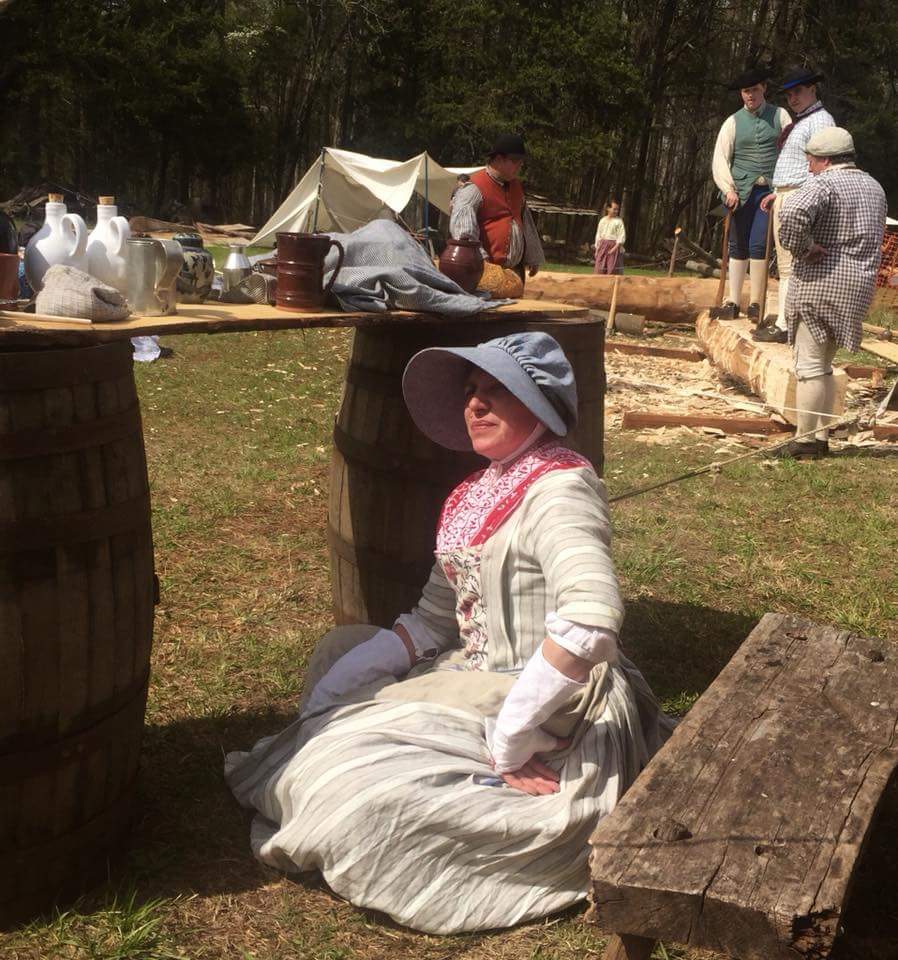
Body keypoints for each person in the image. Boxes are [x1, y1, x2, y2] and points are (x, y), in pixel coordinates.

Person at [226, 332, 671, 934]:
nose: (475, 404)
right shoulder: (481, 492)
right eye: (470, 391)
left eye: (497, 390)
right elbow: (434, 618)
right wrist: (348, 680)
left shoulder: (560, 489)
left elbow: (590, 623)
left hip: (553, 699)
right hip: (476, 671)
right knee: (340, 654)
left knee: (358, 784)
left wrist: (514, 734)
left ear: (539, 403)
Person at [776, 128, 886, 460]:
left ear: (825, 159)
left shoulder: (824, 183)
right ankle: (821, 437)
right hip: (857, 288)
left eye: (811, 160)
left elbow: (791, 212)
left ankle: (805, 441)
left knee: (809, 365)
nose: (808, 166)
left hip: (821, 283)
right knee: (824, 364)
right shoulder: (874, 187)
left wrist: (803, 247)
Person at [755, 66, 836, 343]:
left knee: (793, 265)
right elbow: (796, 165)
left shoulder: (821, 121)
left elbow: (822, 166)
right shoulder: (803, 121)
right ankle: (784, 321)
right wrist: (778, 193)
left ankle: (786, 324)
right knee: (787, 267)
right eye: (789, 94)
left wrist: (802, 199)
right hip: (787, 195)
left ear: (813, 89)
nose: (793, 98)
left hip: (801, 198)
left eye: (798, 91)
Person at [711, 67, 791, 322]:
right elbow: (720, 158)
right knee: (737, 244)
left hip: (768, 193)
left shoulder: (781, 116)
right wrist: (728, 189)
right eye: (746, 91)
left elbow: (791, 152)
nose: (750, 95)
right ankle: (733, 301)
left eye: (755, 89)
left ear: (763, 88)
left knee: (759, 243)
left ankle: (756, 302)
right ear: (741, 94)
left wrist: (783, 188)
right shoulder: (732, 122)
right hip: (741, 193)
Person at [449, 133, 545, 281]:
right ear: (499, 159)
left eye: (521, 161)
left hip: (514, 272)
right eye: (515, 160)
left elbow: (525, 222)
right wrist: (483, 261)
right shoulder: (473, 188)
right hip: (483, 272)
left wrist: (533, 256)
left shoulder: (517, 186)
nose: (520, 165)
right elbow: (463, 233)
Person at [593, 199, 626, 274]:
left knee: (611, 270)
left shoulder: (619, 221)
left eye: (617, 209)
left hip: (614, 247)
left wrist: (613, 249)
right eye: (614, 209)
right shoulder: (603, 220)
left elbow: (621, 236)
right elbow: (598, 235)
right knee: (599, 269)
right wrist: (597, 249)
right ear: (608, 208)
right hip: (602, 246)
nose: (616, 211)